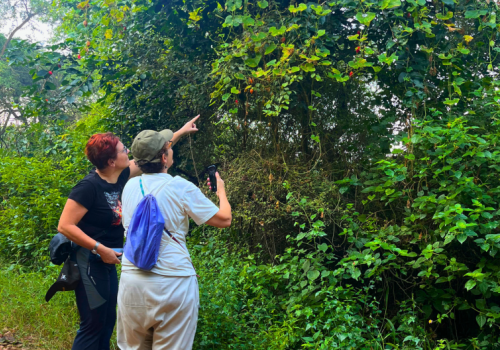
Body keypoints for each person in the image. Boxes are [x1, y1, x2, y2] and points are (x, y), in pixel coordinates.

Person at [57, 116, 200, 350]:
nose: (129, 153)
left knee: (107, 322)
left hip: (110, 260)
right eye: (124, 150)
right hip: (89, 260)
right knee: (92, 324)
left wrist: (181, 131)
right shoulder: (88, 187)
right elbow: (65, 225)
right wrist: (99, 249)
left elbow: (153, 150)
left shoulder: (122, 175)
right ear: (112, 161)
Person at [116, 128, 232, 350]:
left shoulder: (128, 186)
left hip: (132, 283)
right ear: (163, 157)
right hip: (173, 284)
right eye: (167, 147)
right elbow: (224, 219)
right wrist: (221, 193)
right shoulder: (180, 186)